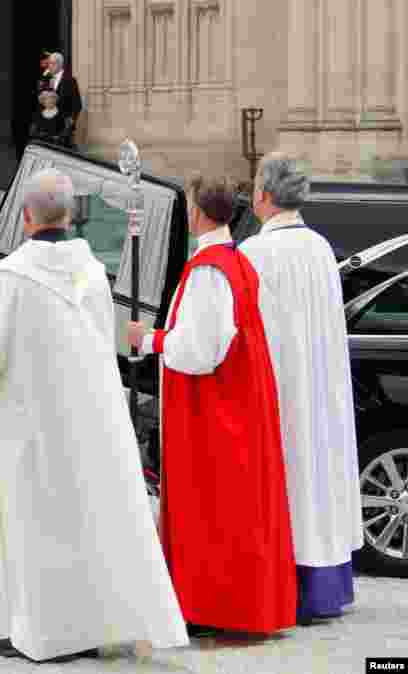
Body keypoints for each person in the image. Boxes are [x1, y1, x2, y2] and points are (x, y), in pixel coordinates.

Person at [0, 169, 188, 662]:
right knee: (87, 520)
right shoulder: (91, 272)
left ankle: (43, 633)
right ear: (71, 215)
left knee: (36, 525)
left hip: (29, 427)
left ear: (26, 218)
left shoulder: (9, 279)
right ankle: (92, 623)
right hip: (91, 421)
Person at [127, 175, 297, 635]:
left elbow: (201, 350)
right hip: (233, 403)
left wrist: (152, 338)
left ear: (197, 213)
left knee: (212, 512)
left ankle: (211, 607)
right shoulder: (233, 261)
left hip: (212, 410)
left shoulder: (210, 270)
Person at [239, 153, 363, 624]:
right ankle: (327, 585)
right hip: (322, 385)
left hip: (282, 388)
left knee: (291, 478)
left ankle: (289, 586)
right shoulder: (320, 247)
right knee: (320, 475)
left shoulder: (256, 253)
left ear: (264, 195)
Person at [41, 53, 82, 147]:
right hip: (48, 129)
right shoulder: (47, 80)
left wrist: (71, 121)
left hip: (63, 130)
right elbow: (42, 103)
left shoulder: (70, 81)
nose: (49, 66)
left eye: (51, 63)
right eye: (49, 63)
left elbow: (77, 104)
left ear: (58, 64)